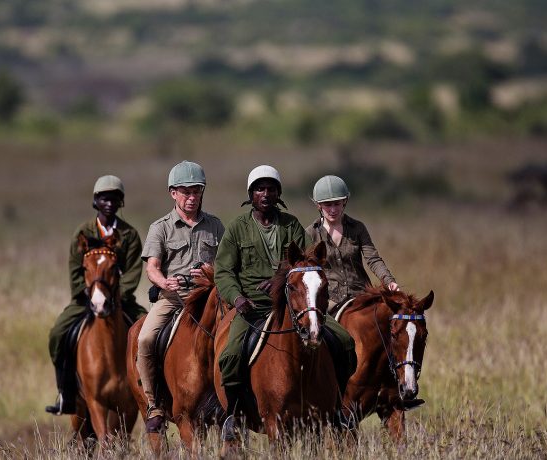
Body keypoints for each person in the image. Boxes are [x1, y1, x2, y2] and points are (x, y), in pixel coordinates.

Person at [214, 165, 356, 438]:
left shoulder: (291, 225)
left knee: (345, 343)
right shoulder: (236, 228)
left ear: (279, 193)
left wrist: (282, 281)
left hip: (296, 305)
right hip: (253, 307)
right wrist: (237, 297)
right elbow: (223, 271)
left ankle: (337, 407)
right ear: (251, 194)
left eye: (271, 189)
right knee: (231, 354)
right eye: (259, 189)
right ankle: (232, 414)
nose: (265, 194)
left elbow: (308, 261)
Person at [45, 175, 148, 415]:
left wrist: (118, 296)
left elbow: (133, 271)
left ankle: (151, 395)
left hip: (121, 301)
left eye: (114, 199)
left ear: (120, 202)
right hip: (86, 300)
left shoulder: (130, 235)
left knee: (148, 334)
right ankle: (66, 393)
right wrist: (88, 293)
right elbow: (74, 269)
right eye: (104, 198)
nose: (109, 203)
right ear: (96, 202)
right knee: (57, 333)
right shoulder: (82, 232)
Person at [136, 160, 225, 431]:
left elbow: (226, 264)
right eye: (185, 191)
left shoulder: (215, 226)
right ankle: (153, 403)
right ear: (173, 193)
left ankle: (237, 402)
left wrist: (212, 271)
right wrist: (165, 281)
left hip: (208, 298)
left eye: (196, 191)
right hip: (173, 299)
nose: (191, 197)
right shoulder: (160, 227)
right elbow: (151, 266)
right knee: (145, 338)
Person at [306, 175, 398, 315]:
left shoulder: (357, 228)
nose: (333, 210)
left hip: (361, 294)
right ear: (318, 205)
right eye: (328, 205)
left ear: (345, 202)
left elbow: (373, 259)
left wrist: (389, 281)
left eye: (337, 203)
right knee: (319, 330)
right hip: (330, 299)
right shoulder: (310, 233)